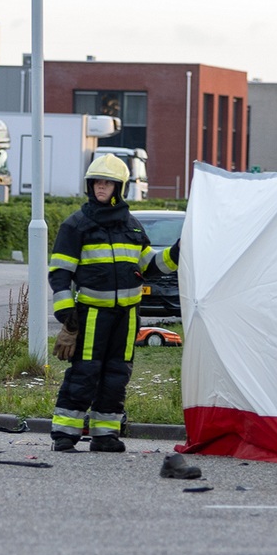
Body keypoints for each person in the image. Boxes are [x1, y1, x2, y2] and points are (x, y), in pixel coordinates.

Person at [47, 153, 178, 453]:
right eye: (96, 182)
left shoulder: (131, 227)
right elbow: (60, 273)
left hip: (128, 317)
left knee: (117, 375)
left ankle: (105, 436)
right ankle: (64, 434)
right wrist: (67, 313)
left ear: (120, 188)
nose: (100, 188)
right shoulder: (76, 225)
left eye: (107, 183)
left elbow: (151, 265)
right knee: (85, 373)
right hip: (92, 315)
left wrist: (178, 252)